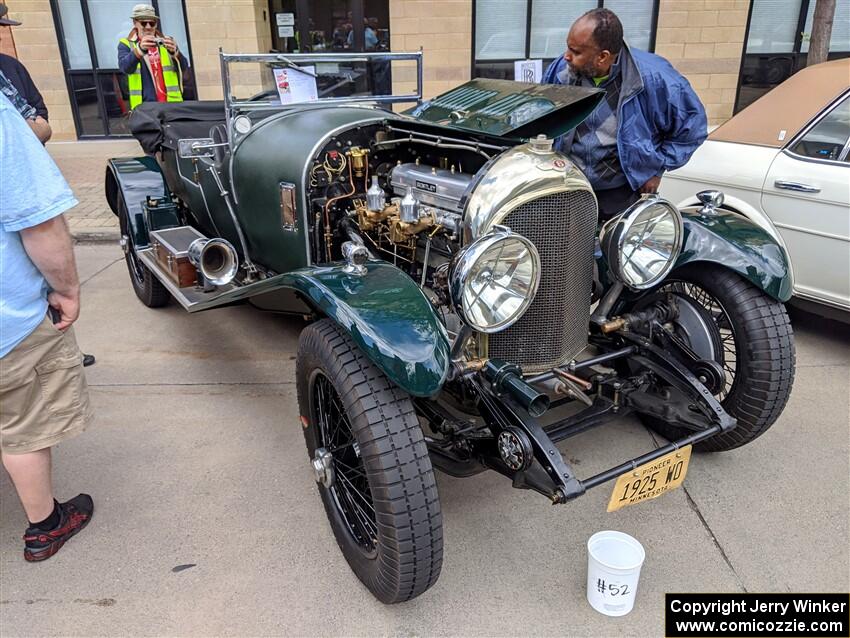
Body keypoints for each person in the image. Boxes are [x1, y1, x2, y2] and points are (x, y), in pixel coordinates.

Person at [0, 91, 94, 562]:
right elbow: (38, 222)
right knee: (21, 425)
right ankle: (45, 526)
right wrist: (68, 289)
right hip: (6, 321)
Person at [543, 8, 707, 220]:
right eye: (568, 47)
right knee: (567, 250)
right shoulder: (561, 71)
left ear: (603, 57)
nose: (566, 56)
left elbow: (693, 128)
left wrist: (657, 170)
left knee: (616, 251)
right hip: (570, 187)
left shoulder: (657, 79)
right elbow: (543, 119)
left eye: (576, 51)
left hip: (623, 191)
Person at [117, 4, 187, 110]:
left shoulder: (166, 41)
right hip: (145, 107)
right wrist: (139, 50)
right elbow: (125, 68)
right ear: (135, 23)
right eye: (144, 23)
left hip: (172, 105)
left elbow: (184, 67)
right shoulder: (126, 44)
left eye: (152, 23)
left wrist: (175, 53)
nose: (148, 27)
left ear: (156, 24)